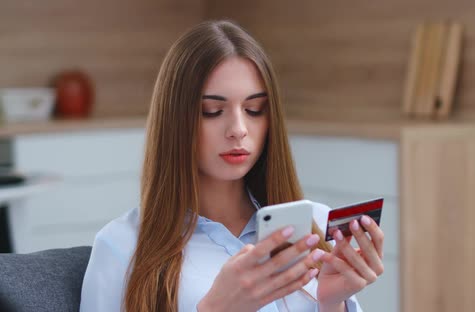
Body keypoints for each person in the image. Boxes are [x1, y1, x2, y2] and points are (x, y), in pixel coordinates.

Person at [80, 20, 384, 312]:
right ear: (175, 122)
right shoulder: (121, 247)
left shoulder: (314, 227)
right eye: (212, 111)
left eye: (254, 110)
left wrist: (332, 305)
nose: (238, 129)